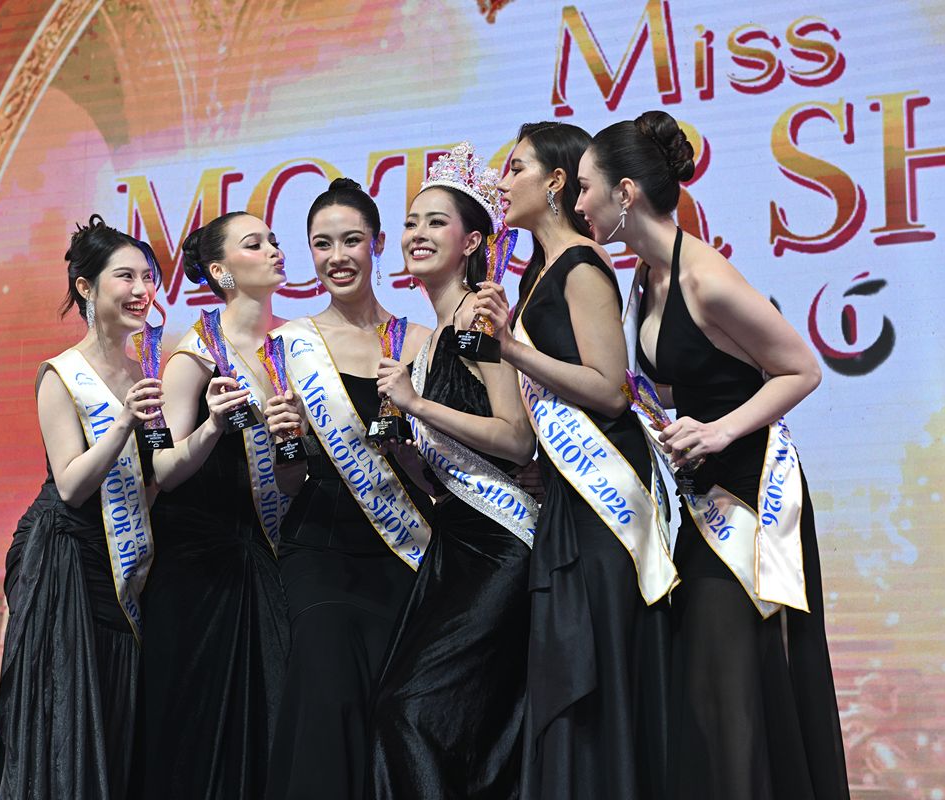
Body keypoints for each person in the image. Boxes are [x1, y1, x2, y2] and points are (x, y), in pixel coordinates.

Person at [576, 109, 850, 800]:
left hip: (751, 500)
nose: (577, 204)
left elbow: (801, 369)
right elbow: (683, 380)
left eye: (584, 187)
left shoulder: (705, 277)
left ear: (625, 193)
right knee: (706, 693)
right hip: (700, 499)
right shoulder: (644, 276)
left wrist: (720, 430)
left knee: (733, 690)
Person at [475, 122, 676, 799]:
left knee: (602, 659)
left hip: (604, 501)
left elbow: (610, 390)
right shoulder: (533, 276)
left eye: (515, 168)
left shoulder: (583, 265)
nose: (502, 182)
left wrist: (512, 349)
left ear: (556, 182)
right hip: (566, 494)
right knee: (566, 661)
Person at [368, 143, 538, 799]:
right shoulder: (429, 340)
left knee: (414, 712)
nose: (417, 233)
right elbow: (447, 466)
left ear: (471, 242)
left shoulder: (480, 315)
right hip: (455, 545)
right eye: (411, 222)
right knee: (422, 714)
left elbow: (515, 439)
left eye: (436, 222)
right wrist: (407, 452)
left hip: (500, 546)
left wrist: (416, 404)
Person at [262, 178, 433, 800]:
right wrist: (286, 438)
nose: (337, 257)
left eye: (352, 241)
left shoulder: (420, 342)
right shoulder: (291, 344)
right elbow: (289, 479)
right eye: (322, 243)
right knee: (327, 695)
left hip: (405, 552)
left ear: (378, 244)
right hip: (322, 548)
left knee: (397, 712)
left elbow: (440, 472)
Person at [0, 215, 164, 800]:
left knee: (116, 716)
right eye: (126, 276)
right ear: (86, 287)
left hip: (126, 567)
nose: (141, 290)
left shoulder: (149, 371)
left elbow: (152, 483)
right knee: (64, 718)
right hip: (66, 562)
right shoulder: (61, 375)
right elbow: (70, 484)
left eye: (148, 277)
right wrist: (123, 422)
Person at [140, 212, 291, 798]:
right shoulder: (194, 356)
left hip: (271, 555)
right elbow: (164, 469)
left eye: (273, 240)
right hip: (200, 565)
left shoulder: (295, 345)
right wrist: (213, 426)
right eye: (255, 244)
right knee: (198, 725)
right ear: (221, 272)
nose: (274, 250)